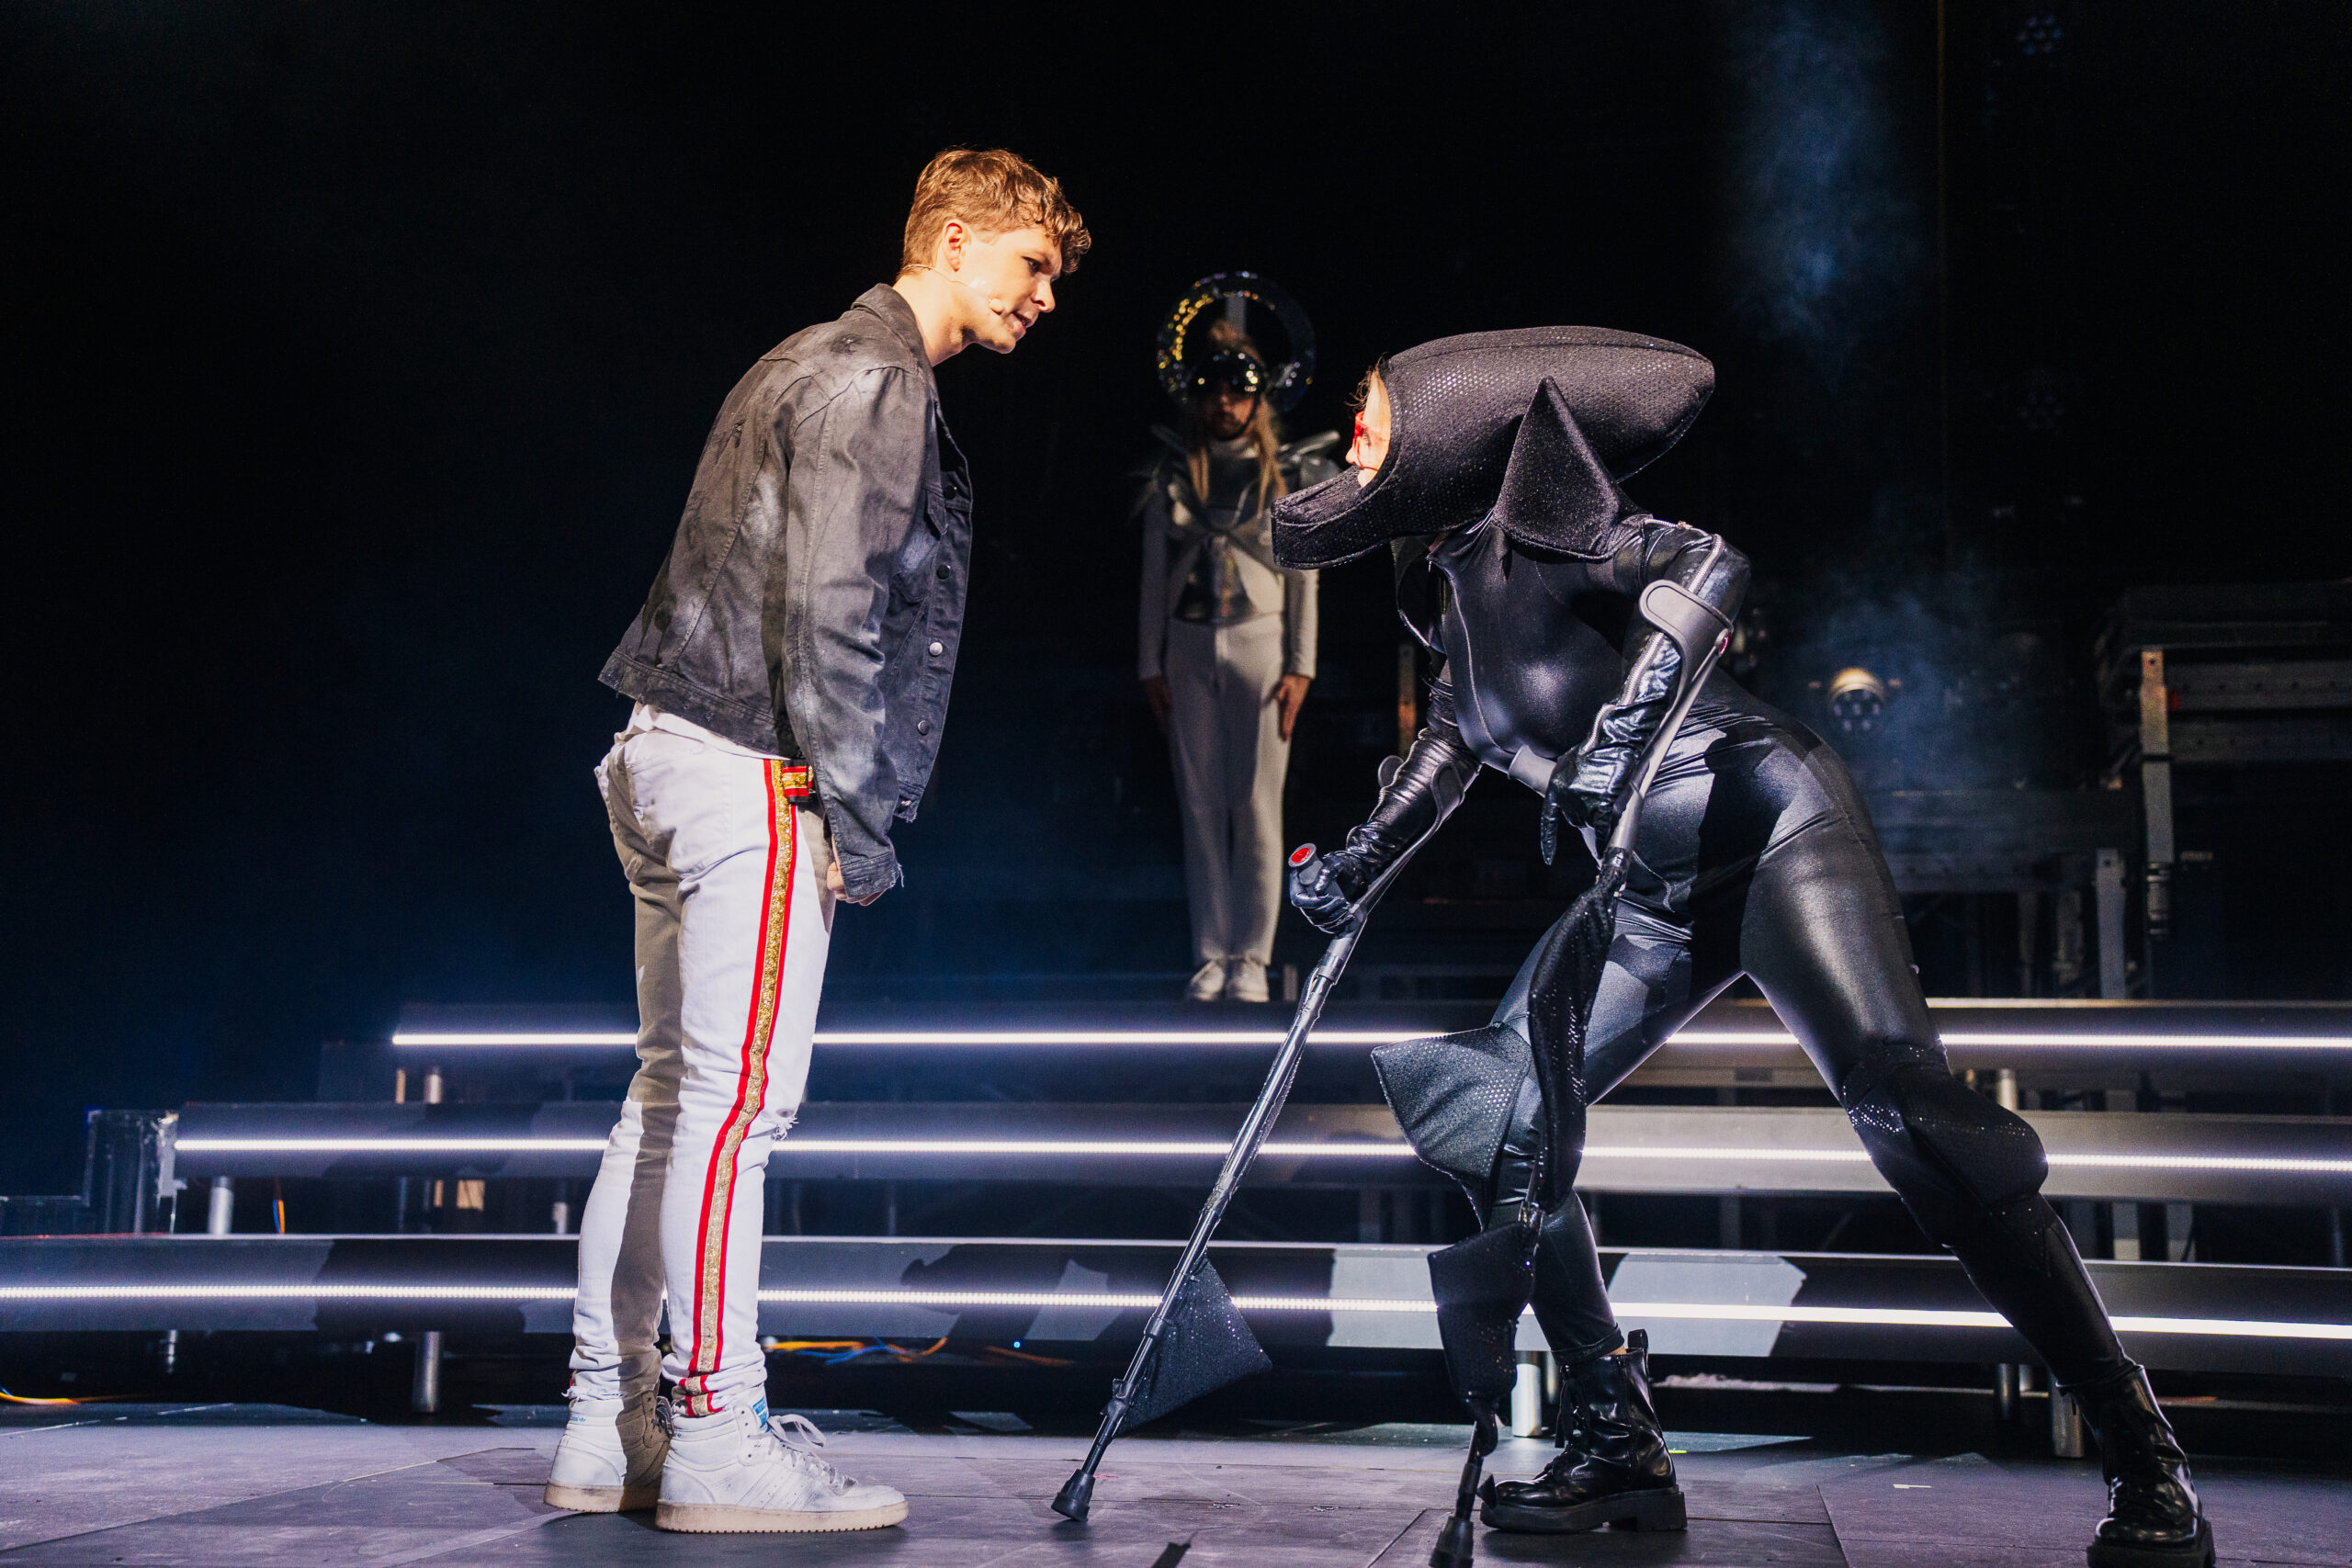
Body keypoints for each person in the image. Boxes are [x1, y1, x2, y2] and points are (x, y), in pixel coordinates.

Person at [1278, 329, 2212, 1568]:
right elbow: (1455, 743)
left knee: (1913, 1118)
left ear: (1446, 427)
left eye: (1374, 406)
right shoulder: (1443, 582)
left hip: (1770, 822)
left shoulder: (1547, 529)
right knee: (1504, 1119)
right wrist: (1356, 862)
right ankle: (1620, 1443)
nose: (1353, 424)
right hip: (1651, 886)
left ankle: (2144, 1451)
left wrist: (1627, 723)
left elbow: (1707, 560)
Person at [544, 148, 1088, 1534]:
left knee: (667, 1104)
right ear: (954, 240)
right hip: (752, 769)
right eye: (1031, 265)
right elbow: (831, 611)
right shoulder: (882, 379)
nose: (1045, 297)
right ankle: (716, 1430)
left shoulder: (796, 356)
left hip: (660, 749)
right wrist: (855, 811)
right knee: (734, 1115)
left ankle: (609, 1425)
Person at [1136, 319, 1336, 1003]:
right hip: (1188, 642)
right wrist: (1149, 661)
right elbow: (1154, 573)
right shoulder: (1172, 472)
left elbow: (1305, 574)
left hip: (1260, 639)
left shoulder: (1289, 474)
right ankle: (1209, 955)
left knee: (1256, 804)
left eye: (1238, 388)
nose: (1224, 401)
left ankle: (1251, 956)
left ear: (1258, 397)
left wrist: (1301, 664)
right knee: (1198, 803)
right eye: (1212, 388)